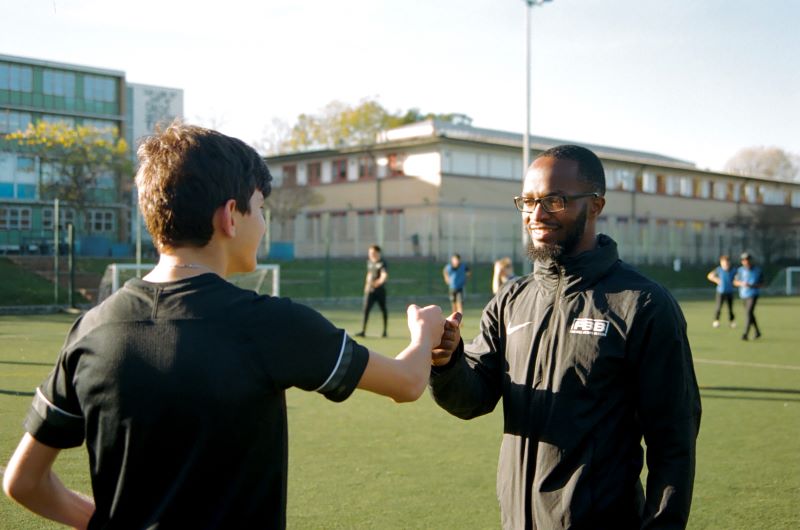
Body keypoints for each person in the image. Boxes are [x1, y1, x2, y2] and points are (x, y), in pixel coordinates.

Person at [2, 122, 445, 529]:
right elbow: (406, 383)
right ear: (230, 216)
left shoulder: (91, 330)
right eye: (260, 208)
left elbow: (23, 481)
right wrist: (424, 332)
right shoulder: (271, 324)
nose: (264, 224)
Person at [429, 145, 702, 529]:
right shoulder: (512, 300)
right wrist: (448, 361)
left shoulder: (642, 304)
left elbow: (673, 442)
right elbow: (472, 399)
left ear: (595, 205)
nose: (536, 215)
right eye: (528, 201)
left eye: (555, 201)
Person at [355, 244, 389, 338]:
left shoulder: (382, 263)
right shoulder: (370, 262)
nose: (371, 254)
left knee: (383, 309)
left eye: (373, 252)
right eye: (370, 253)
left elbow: (384, 275)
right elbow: (369, 274)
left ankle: (385, 331)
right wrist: (367, 285)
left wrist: (378, 282)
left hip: (380, 291)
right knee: (366, 309)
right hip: (370, 291)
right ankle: (363, 331)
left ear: (378, 253)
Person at [734, 252, 764, 340]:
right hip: (744, 295)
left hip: (753, 294)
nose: (746, 261)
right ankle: (757, 331)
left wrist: (753, 285)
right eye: (744, 260)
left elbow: (762, 283)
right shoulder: (740, 270)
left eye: (747, 260)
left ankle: (745, 333)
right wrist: (742, 283)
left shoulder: (757, 270)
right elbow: (735, 282)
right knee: (750, 314)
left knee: (748, 313)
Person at [706, 254, 737, 328]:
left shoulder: (733, 270)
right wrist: (716, 280)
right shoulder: (719, 270)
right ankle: (716, 320)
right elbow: (709, 276)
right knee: (718, 307)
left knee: (730, 308)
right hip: (720, 292)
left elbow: (737, 278)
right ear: (721, 262)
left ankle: (732, 321)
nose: (725, 263)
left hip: (729, 292)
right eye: (723, 262)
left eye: (727, 262)